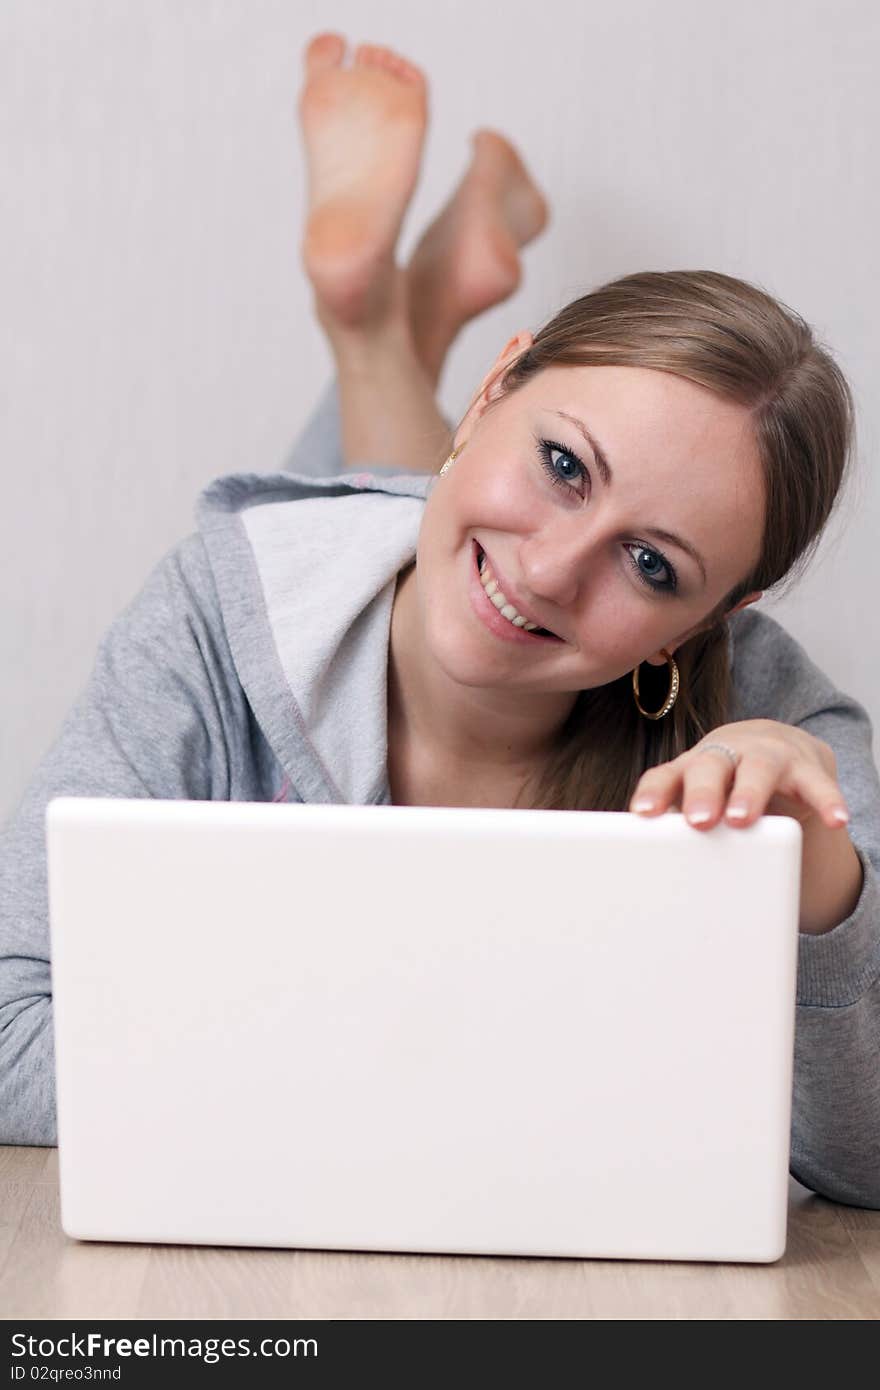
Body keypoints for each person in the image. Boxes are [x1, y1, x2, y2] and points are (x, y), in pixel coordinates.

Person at [1, 33, 878, 1210]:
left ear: (714, 614)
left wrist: (822, 891)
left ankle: (386, 319)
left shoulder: (782, 736)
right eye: (565, 462)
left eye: (652, 565)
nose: (559, 568)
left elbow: (865, 1159)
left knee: (453, 533)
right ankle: (384, 320)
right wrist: (455, 1092)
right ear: (492, 388)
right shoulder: (221, 607)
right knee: (430, 531)